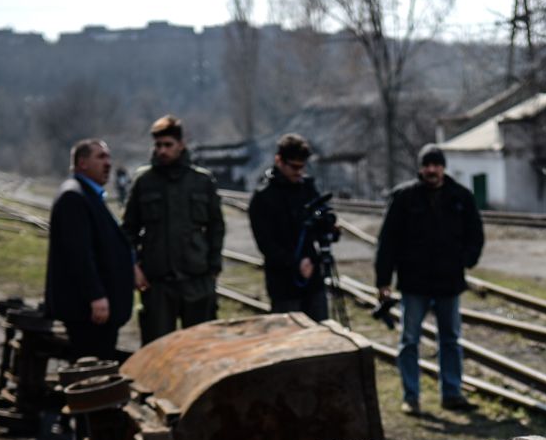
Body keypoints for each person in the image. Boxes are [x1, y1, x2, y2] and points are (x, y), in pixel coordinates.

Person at [375, 143, 485, 414]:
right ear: (420, 168)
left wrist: (466, 260)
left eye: (436, 165)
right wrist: (383, 279)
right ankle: (411, 397)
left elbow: (476, 234)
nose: (431, 170)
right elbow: (387, 240)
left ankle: (452, 393)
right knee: (409, 341)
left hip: (449, 282)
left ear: (443, 167)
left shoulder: (461, 197)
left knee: (450, 340)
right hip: (415, 283)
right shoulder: (403, 197)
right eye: (427, 165)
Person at [121, 114, 224, 346]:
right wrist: (134, 267)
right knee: (157, 350)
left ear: (181, 144)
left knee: (201, 347)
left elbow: (216, 226)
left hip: (196, 280)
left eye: (168, 145)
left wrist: (213, 266)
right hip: (158, 284)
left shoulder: (201, 181)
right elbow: (128, 229)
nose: (163, 151)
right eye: (158, 145)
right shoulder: (144, 182)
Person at [44, 137, 138, 356]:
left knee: (99, 364)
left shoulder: (86, 193)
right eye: (101, 157)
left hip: (95, 309)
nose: (108, 163)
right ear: (82, 163)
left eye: (109, 157)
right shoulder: (73, 196)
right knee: (93, 365)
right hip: (87, 310)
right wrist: (95, 296)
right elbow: (79, 254)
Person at [247, 133, 331, 321]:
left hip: (313, 279)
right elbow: (266, 244)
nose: (299, 172)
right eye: (294, 166)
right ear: (279, 161)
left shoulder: (307, 188)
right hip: (283, 283)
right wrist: (295, 263)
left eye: (302, 166)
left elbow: (321, 222)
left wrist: (328, 227)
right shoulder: (264, 197)